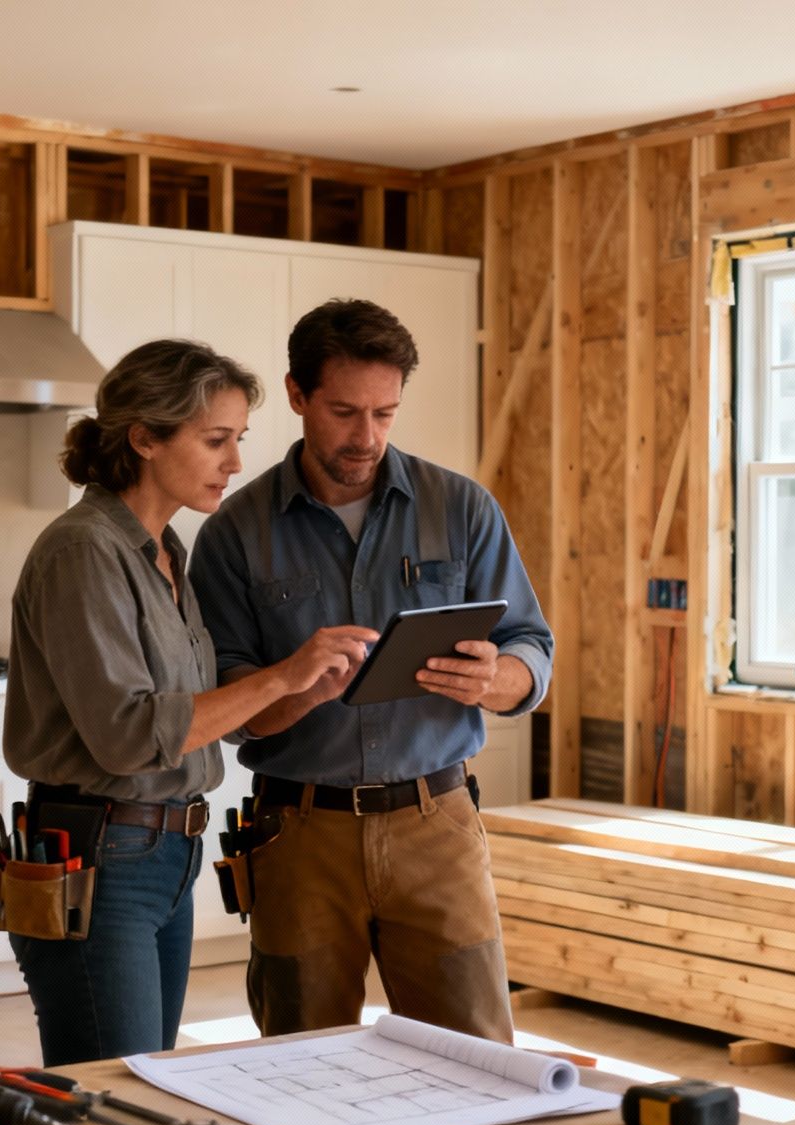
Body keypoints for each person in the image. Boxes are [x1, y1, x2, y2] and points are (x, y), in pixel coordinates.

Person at [2, 338, 375, 1066]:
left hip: (166, 855)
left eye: (238, 440)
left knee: (147, 1091)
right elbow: (128, 736)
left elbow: (200, 715)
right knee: (118, 1098)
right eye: (214, 440)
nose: (234, 463)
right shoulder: (85, 552)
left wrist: (304, 688)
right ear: (144, 437)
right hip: (102, 859)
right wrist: (278, 676)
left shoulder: (166, 550)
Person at [189, 299, 553, 1043]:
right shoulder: (234, 534)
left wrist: (497, 678)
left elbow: (532, 650)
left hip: (438, 825)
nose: (367, 438)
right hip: (299, 834)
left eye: (385, 413)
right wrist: (295, 682)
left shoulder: (462, 509)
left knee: (476, 1059)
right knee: (301, 1062)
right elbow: (233, 712)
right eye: (345, 411)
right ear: (296, 395)